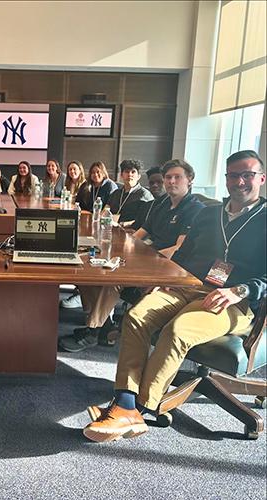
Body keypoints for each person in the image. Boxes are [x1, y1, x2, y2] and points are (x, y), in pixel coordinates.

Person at [83, 150, 266, 443]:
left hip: (234, 300)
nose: (240, 181)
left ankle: (139, 408)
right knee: (136, 316)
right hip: (187, 285)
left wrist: (239, 290)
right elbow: (183, 254)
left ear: (261, 178)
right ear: (227, 179)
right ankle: (126, 401)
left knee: (178, 330)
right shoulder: (209, 213)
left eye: (248, 175)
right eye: (234, 175)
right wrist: (165, 279)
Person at [60, 159, 205, 353]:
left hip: (168, 266)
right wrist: (119, 249)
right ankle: (106, 325)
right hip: (148, 256)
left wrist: (142, 257)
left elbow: (177, 248)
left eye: (177, 177)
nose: (171, 181)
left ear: (190, 180)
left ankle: (92, 331)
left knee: (109, 279)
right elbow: (142, 232)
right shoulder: (162, 203)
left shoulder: (194, 208)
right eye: (168, 177)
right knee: (91, 269)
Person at [106, 159, 153, 227]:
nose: (129, 174)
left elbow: (147, 220)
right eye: (127, 172)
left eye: (133, 172)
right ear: (121, 175)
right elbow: (105, 210)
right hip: (111, 228)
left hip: (131, 231)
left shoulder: (145, 195)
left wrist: (126, 224)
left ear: (138, 176)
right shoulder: (116, 193)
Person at [131, 166, 167, 231]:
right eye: (151, 183)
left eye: (159, 182)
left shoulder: (172, 206)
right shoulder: (146, 206)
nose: (155, 185)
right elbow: (135, 227)